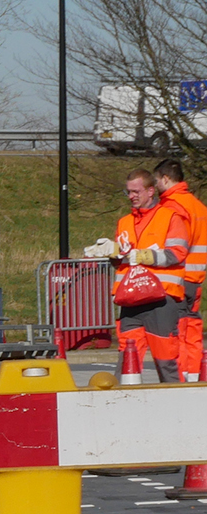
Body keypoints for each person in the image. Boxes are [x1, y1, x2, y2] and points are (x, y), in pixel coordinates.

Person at [104, 169, 189, 383]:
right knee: (127, 360)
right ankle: (124, 407)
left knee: (166, 359)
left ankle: (176, 405)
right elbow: (121, 258)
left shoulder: (170, 217)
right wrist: (112, 253)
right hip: (131, 299)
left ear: (151, 191)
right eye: (128, 192)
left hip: (161, 299)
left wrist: (144, 255)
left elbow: (177, 253)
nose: (131, 196)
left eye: (136, 191)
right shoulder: (124, 222)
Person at [155, 159, 207, 379]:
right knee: (192, 329)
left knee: (176, 331)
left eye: (156, 181)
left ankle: (181, 378)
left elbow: (174, 246)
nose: (155, 186)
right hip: (196, 278)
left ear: (166, 179)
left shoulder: (171, 207)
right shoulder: (198, 206)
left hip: (177, 278)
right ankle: (194, 375)